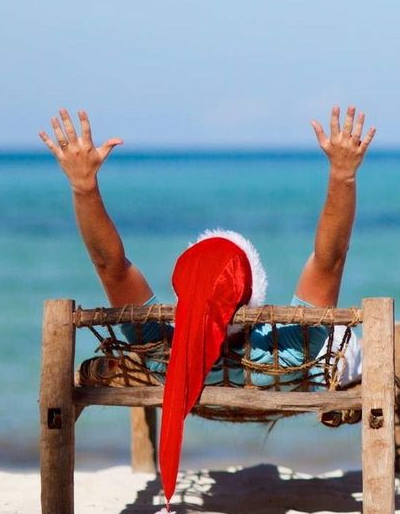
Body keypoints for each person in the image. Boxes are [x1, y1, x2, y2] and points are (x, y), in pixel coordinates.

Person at [38, 106, 377, 389]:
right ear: (254, 293)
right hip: (292, 379)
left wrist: (83, 187)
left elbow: (110, 266)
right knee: (340, 344)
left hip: (193, 380)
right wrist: (343, 175)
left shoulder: (164, 356)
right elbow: (330, 260)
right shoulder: (290, 354)